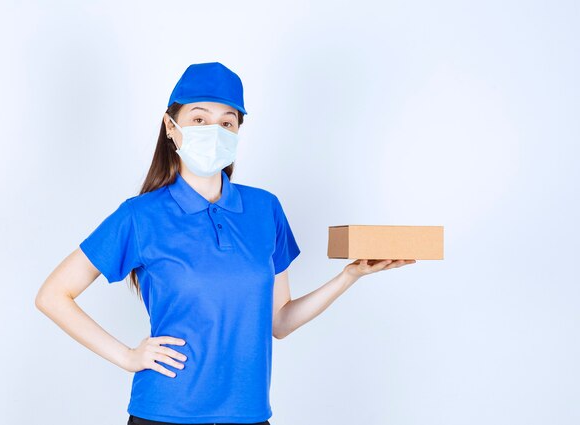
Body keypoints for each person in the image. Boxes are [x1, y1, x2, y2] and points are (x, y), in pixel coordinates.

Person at [35, 61, 416, 425]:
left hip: (248, 415)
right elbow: (53, 295)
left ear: (237, 131)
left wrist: (348, 277)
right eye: (199, 119)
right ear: (171, 126)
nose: (213, 130)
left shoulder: (265, 209)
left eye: (226, 122)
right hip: (165, 414)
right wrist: (127, 357)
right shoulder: (139, 216)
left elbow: (279, 321)